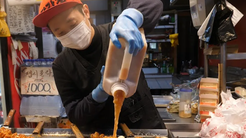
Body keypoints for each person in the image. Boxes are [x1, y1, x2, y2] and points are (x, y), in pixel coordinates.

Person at [33, 0, 166, 130]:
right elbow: (75, 115)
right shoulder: (61, 65)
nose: (70, 34)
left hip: (144, 131)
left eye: (73, 24)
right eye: (60, 33)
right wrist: (99, 93)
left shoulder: (118, 34)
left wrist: (131, 17)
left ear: (86, 12)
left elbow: (153, 3)